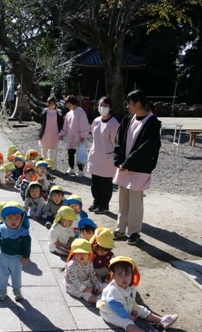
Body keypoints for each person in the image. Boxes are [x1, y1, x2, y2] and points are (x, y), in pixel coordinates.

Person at [113, 89, 162, 245]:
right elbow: (119, 141)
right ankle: (120, 228)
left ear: (138, 104)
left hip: (139, 168)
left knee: (135, 202)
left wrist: (128, 163)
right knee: (123, 201)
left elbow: (147, 148)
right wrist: (118, 160)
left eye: (129, 103)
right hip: (124, 167)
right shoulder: (128, 119)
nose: (127, 106)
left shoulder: (152, 123)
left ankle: (134, 232)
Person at [97, 256, 178, 332]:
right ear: (113, 275)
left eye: (127, 275)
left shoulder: (131, 286)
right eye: (120, 275)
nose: (124, 278)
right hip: (111, 312)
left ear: (132, 274)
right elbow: (114, 305)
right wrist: (128, 316)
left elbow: (132, 299)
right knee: (126, 323)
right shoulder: (113, 289)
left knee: (142, 309)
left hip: (125, 305)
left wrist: (134, 309)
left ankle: (161, 320)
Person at [0, 201, 31, 301]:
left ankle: (17, 290)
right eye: (10, 218)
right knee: (2, 273)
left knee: (16, 274)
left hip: (17, 257)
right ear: (5, 218)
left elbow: (27, 246)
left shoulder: (23, 232)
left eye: (17, 218)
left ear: (22, 218)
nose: (13, 221)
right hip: (3, 255)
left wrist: (25, 256)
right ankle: (2, 290)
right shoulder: (1, 229)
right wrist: (0, 245)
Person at [88, 97, 120, 214]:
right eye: (101, 105)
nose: (103, 107)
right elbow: (94, 135)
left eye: (105, 105)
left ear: (110, 107)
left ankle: (104, 205)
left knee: (105, 183)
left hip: (107, 158)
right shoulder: (96, 121)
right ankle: (96, 202)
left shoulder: (113, 123)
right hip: (95, 156)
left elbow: (115, 142)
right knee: (95, 182)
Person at [63, 238, 105, 304]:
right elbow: (74, 280)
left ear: (89, 254)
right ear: (74, 254)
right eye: (79, 253)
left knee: (99, 285)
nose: (82, 255)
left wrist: (96, 284)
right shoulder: (71, 265)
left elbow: (92, 274)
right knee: (86, 294)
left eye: (85, 253)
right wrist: (84, 289)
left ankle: (102, 292)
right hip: (73, 285)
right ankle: (99, 302)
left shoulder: (89, 263)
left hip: (85, 280)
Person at [62, 94, 89, 176]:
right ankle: (71, 168)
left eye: (69, 104)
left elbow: (84, 123)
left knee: (79, 153)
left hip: (79, 137)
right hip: (71, 137)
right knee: (70, 152)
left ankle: (80, 170)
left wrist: (83, 135)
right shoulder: (68, 114)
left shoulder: (80, 111)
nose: (68, 106)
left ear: (73, 103)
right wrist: (63, 134)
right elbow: (66, 126)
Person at [38, 96, 64, 167]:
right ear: (48, 103)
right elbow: (41, 122)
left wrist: (59, 131)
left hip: (54, 133)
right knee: (44, 150)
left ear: (55, 103)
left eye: (53, 103)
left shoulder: (58, 112)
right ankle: (44, 165)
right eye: (50, 103)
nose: (52, 104)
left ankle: (53, 166)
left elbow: (61, 123)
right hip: (45, 133)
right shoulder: (44, 111)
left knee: (54, 150)